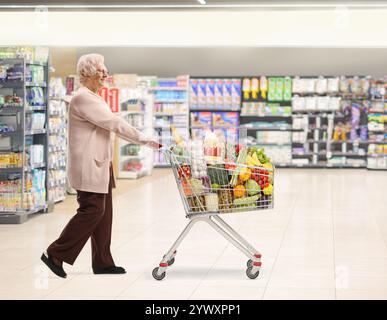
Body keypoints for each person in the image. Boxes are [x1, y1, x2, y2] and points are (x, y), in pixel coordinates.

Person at [41, 54, 160, 278]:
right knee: (92, 210)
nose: (105, 75)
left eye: (105, 71)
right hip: (89, 165)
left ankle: (103, 262)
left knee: (104, 214)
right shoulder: (83, 98)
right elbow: (114, 123)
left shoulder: (93, 96)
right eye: (101, 72)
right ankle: (55, 253)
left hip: (101, 163)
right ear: (89, 73)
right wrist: (144, 140)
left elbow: (110, 123)